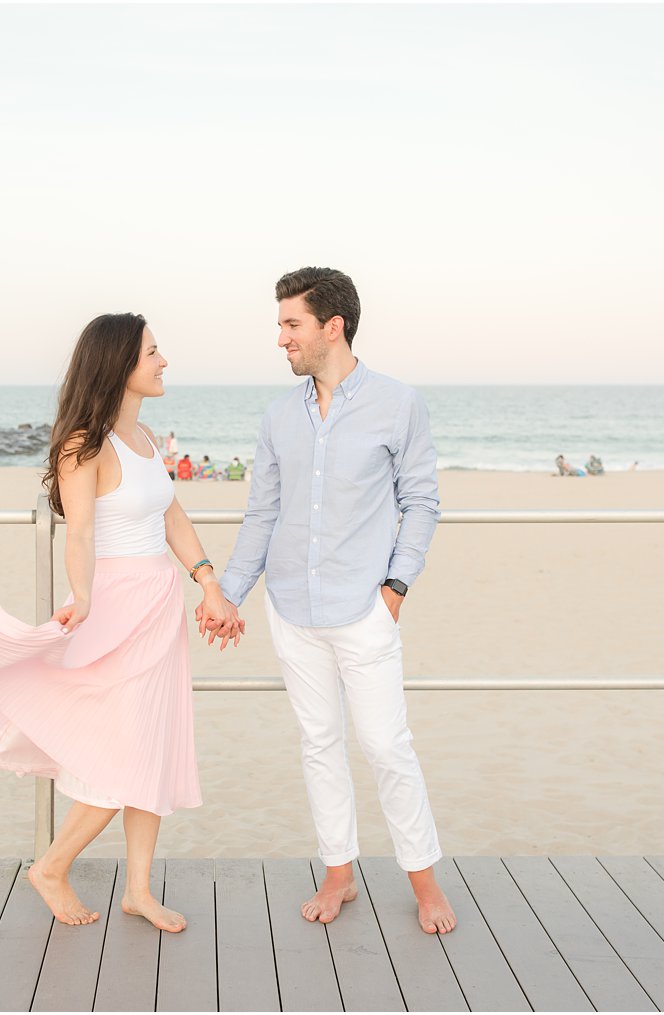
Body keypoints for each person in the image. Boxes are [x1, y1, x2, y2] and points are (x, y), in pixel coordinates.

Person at [0, 313, 242, 933]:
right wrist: (81, 593)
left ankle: (139, 891)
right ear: (120, 364)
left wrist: (208, 582)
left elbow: (172, 518)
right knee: (116, 755)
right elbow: (81, 531)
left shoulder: (148, 438)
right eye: (153, 352)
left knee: (149, 749)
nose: (163, 361)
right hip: (116, 608)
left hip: (161, 607)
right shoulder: (84, 444)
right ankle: (51, 866)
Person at [204, 266, 456, 935]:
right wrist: (227, 593)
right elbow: (262, 514)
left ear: (332, 326)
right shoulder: (278, 415)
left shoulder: (398, 404)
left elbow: (422, 501)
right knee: (319, 743)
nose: (282, 339)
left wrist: (396, 588)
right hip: (290, 608)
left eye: (292, 325)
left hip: (364, 609)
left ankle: (425, 882)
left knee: (385, 745)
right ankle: (339, 872)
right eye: (282, 325)